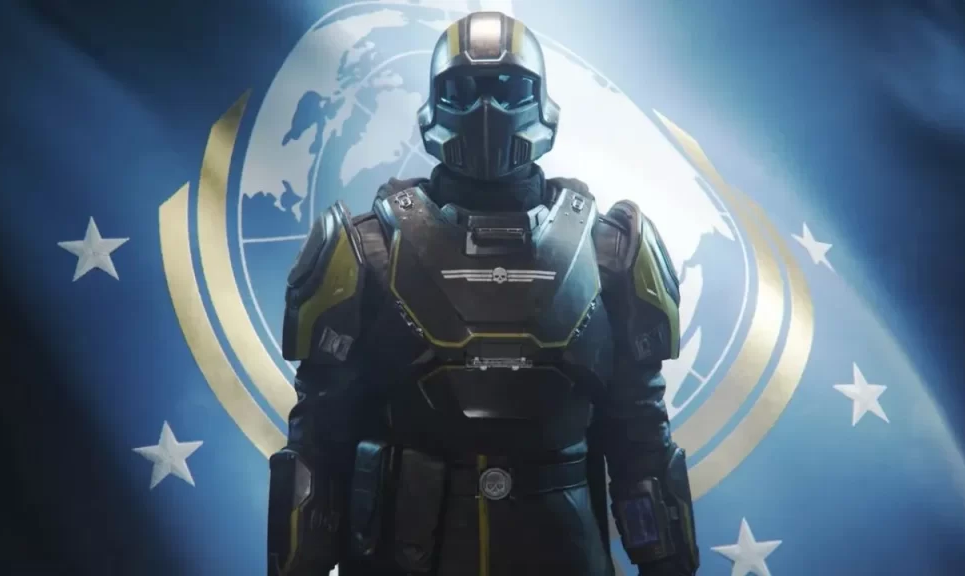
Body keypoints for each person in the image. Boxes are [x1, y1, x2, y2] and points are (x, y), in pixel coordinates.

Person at [267, 11, 699, 576]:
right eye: (464, 90)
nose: (486, 109)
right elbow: (319, 445)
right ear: (435, 103)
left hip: (561, 549)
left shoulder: (610, 251)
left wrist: (666, 564)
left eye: (508, 88)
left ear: (540, 99)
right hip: (408, 551)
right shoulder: (365, 249)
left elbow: (640, 441)